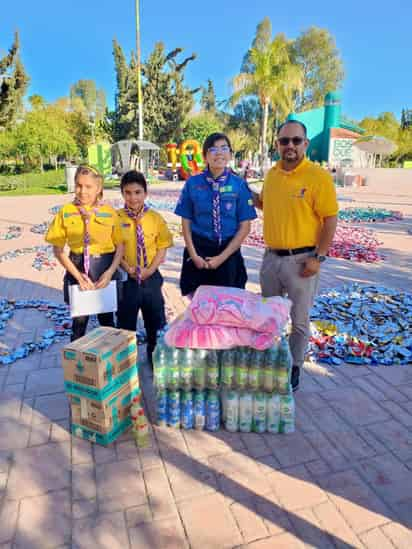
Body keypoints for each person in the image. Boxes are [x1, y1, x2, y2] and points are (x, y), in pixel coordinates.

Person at [254, 121, 338, 392]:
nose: (289, 146)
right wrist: (239, 190)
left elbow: (330, 219)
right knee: (269, 315)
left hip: (302, 261)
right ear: (277, 144)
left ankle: (294, 366)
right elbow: (264, 203)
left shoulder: (318, 177)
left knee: (299, 321)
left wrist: (319, 257)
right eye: (284, 141)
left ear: (306, 144)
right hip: (271, 260)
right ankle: (272, 361)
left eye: (296, 140)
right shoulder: (272, 174)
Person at [46, 165, 124, 341]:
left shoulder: (109, 212)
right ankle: (78, 366)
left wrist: (110, 272)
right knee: (79, 324)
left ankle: (108, 364)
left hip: (104, 269)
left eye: (88, 187)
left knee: (107, 323)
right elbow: (58, 250)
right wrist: (79, 277)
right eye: (78, 185)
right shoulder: (65, 212)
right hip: (78, 268)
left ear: (98, 189)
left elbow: (120, 246)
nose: (82, 191)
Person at [175, 132, 257, 297]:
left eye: (224, 148)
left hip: (228, 251)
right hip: (199, 251)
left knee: (228, 306)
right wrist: (193, 255)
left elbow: (245, 227)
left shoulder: (239, 185)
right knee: (200, 306)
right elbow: (186, 222)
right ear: (205, 156)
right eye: (213, 149)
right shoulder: (192, 184)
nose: (219, 153)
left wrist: (221, 258)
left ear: (230, 154)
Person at [116, 170, 173, 366]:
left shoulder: (155, 218)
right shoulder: (116, 218)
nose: (133, 197)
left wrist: (150, 269)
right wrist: (126, 267)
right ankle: (127, 363)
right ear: (122, 194)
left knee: (155, 320)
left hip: (151, 277)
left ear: (145, 193)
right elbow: (116, 249)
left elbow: (162, 246)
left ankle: (155, 358)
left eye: (138, 192)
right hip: (127, 279)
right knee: (125, 323)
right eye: (128, 192)